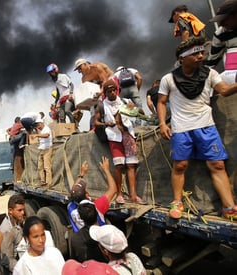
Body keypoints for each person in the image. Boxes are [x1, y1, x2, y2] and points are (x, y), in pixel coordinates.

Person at [157, 36, 237, 220]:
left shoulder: (210, 74)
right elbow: (161, 102)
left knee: (217, 164)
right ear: (182, 58)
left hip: (206, 126)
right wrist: (162, 123)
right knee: (180, 165)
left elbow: (224, 90)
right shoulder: (168, 79)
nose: (201, 56)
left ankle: (229, 207)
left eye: (202, 52)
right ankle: (177, 201)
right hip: (181, 128)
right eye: (196, 53)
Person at [100, 79, 146, 205]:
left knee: (131, 165)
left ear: (117, 90)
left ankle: (133, 195)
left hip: (128, 135)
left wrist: (136, 109)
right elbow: (95, 122)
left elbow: (139, 113)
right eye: (109, 91)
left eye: (114, 90)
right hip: (114, 137)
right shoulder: (102, 105)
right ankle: (119, 194)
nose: (112, 93)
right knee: (119, 166)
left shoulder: (125, 101)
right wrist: (105, 123)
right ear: (105, 93)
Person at [68, 157, 117, 232]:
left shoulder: (70, 206)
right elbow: (113, 189)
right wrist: (106, 170)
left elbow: (74, 191)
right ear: (87, 194)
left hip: (83, 238)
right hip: (98, 239)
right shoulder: (96, 207)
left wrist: (82, 174)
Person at [206, 0, 237, 84]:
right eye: (219, 21)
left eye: (224, 19)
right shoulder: (220, 34)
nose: (221, 24)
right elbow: (211, 62)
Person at [0, 195, 26, 274]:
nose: (23, 213)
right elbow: (6, 259)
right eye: (19, 210)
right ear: (10, 210)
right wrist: (22, 271)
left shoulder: (16, 221)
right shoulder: (8, 231)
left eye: (23, 210)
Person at [34, 117, 53, 187]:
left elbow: (47, 135)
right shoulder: (41, 130)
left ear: (41, 123)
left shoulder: (46, 129)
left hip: (47, 149)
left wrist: (37, 135)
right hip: (42, 149)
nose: (37, 127)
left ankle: (49, 183)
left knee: (47, 167)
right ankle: (42, 181)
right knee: (40, 167)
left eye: (38, 125)